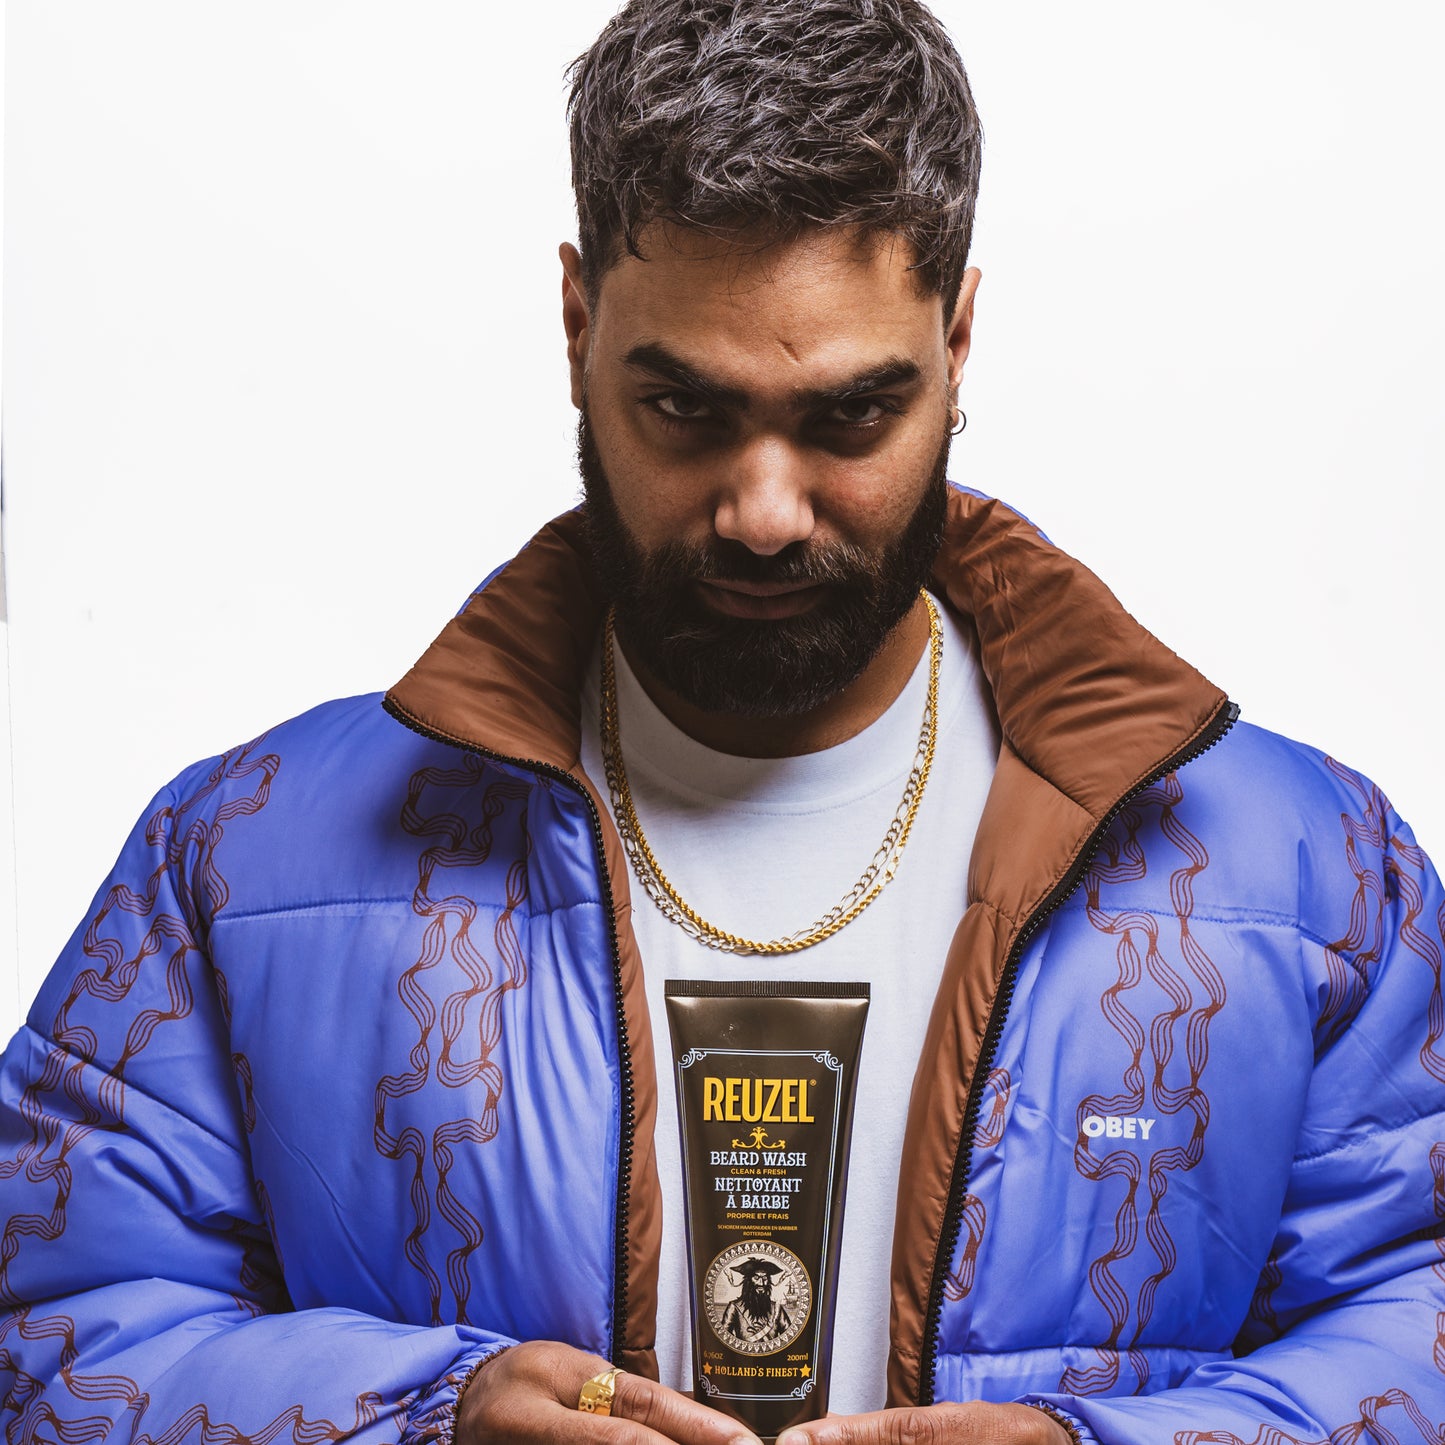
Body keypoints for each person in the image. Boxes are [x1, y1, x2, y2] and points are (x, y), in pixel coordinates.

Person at [1, 3, 1442, 1445]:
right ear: (577, 328)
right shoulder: (241, 861)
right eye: (685, 409)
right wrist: (423, 1418)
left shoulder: (1303, 875)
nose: (762, 509)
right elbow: (49, 1334)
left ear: (956, 338)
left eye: (849, 418)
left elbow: (1418, 1317)